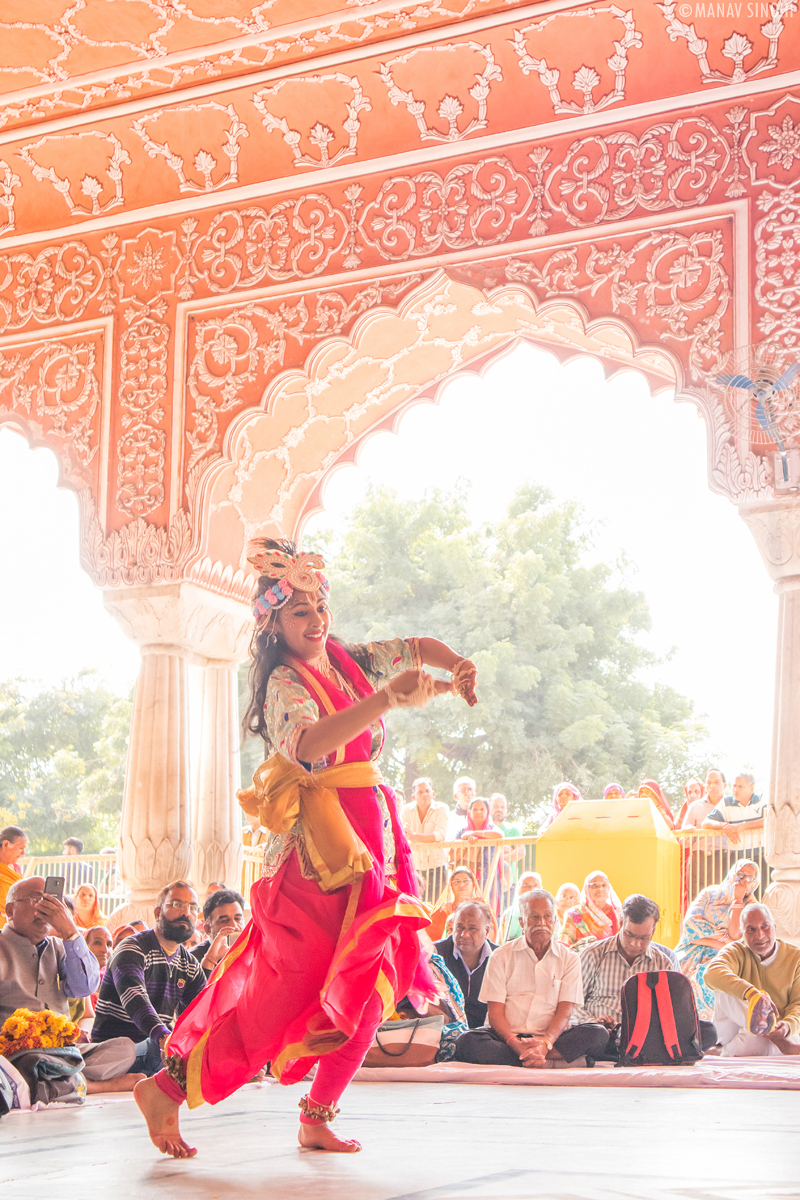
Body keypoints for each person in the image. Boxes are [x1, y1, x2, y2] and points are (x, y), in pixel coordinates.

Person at [134, 538, 478, 1159]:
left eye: (320, 606)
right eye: (300, 612)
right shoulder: (283, 683)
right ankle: (167, 1087)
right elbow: (311, 745)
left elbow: (417, 648)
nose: (316, 620)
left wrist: (456, 665)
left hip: (371, 846)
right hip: (316, 862)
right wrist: (385, 700)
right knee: (283, 999)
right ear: (274, 625)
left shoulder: (345, 660)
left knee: (376, 981)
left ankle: (317, 1114)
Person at [453, 889, 609, 1068]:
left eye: (547, 916)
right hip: (508, 1039)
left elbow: (565, 1011)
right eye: (534, 917)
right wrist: (514, 1042)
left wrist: (545, 1043)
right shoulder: (501, 956)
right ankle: (551, 1061)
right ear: (522, 922)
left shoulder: (569, 958)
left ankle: (531, 1058)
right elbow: (495, 1014)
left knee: (599, 1034)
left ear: (555, 920)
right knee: (466, 1041)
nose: (541, 923)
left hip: (551, 1038)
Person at [570, 893, 717, 1055]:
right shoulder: (593, 955)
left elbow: (677, 1013)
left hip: (649, 1036)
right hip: (605, 1037)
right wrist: (594, 1023)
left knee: (708, 1031)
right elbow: (572, 1005)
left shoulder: (664, 962)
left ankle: (641, 1052)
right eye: (630, 935)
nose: (635, 944)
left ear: (653, 931)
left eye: (644, 938)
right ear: (621, 923)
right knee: (594, 1036)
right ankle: (649, 1054)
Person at [93, 881, 207, 1077]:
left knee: (199, 1049)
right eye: (177, 904)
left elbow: (202, 1011)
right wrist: (164, 1038)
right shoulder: (132, 948)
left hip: (155, 1050)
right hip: (115, 1052)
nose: (186, 913)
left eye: (193, 908)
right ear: (157, 913)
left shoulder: (188, 964)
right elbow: (135, 999)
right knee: (161, 1049)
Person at [0, 875, 100, 1021]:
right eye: (37, 900)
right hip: (11, 1040)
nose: (46, 909)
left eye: (51, 901)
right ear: (10, 911)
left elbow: (84, 988)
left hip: (61, 1040)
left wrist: (70, 932)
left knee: (123, 1044)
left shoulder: (61, 947)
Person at [705, 903, 800, 1056]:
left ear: (774, 926)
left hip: (776, 1033)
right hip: (732, 1030)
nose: (760, 935)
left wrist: (787, 1026)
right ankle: (775, 1038)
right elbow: (711, 974)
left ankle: (720, 1052)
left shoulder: (795, 957)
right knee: (724, 988)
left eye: (765, 926)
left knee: (759, 1044)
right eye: (751, 929)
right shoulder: (735, 951)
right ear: (742, 933)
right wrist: (752, 994)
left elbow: (798, 1004)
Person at [675, 859, 759, 1020]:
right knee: (673, 974)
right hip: (692, 950)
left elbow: (736, 935)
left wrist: (737, 900)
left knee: (707, 978)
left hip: (724, 955)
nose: (743, 881)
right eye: (740, 874)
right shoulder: (710, 893)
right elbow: (691, 925)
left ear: (755, 884)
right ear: (732, 873)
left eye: (749, 878)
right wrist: (724, 939)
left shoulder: (751, 907)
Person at [434, 902, 497, 1028]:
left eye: (472, 928)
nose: (464, 934)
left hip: (487, 1033)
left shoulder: (499, 957)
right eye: (459, 927)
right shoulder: (435, 954)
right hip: (443, 1030)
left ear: (486, 931)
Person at [703, 773, 767, 889]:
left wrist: (741, 826)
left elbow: (770, 820)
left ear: (751, 788)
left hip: (761, 859)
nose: (735, 789)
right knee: (738, 898)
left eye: (740, 786)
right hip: (737, 861)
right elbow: (706, 823)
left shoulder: (762, 799)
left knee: (762, 897)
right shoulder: (726, 802)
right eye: (734, 786)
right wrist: (726, 826)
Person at [400, 777, 449, 904]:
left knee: (436, 907)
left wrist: (414, 836)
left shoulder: (442, 808)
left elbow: (439, 835)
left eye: (427, 791)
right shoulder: (406, 810)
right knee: (415, 905)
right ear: (413, 797)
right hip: (414, 867)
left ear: (433, 794)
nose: (424, 794)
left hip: (437, 866)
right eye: (420, 792)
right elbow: (403, 834)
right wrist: (416, 837)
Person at [456, 797, 503, 909]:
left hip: (488, 876)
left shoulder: (492, 828)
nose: (478, 812)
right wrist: (466, 843)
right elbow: (453, 856)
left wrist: (475, 833)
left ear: (487, 812)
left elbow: (500, 835)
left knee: (488, 908)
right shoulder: (462, 831)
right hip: (466, 877)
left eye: (482, 809)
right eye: (475, 809)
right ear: (469, 812)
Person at [428, 865, 495, 942]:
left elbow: (490, 933)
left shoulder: (482, 908)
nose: (461, 885)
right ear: (451, 886)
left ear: (473, 884)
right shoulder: (442, 910)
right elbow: (430, 936)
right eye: (457, 881)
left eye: (465, 881)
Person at [559, 871, 623, 950]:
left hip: (613, 960)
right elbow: (563, 947)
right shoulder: (574, 914)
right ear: (587, 889)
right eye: (595, 885)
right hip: (584, 960)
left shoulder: (618, 913)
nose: (600, 889)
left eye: (604, 885)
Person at [192, 889, 246, 977]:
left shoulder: (252, 954)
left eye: (238, 919)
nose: (234, 926)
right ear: (208, 929)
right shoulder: (192, 960)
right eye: (224, 921)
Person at [498, 872, 542, 943]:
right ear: (519, 889)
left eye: (535, 886)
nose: (531, 889)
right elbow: (502, 941)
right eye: (526, 886)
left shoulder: (548, 912)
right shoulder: (509, 913)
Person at [0, 826, 27, 930]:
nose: (23, 853)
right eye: (21, 848)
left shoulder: (16, 868)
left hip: (12, 926)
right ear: (6, 844)